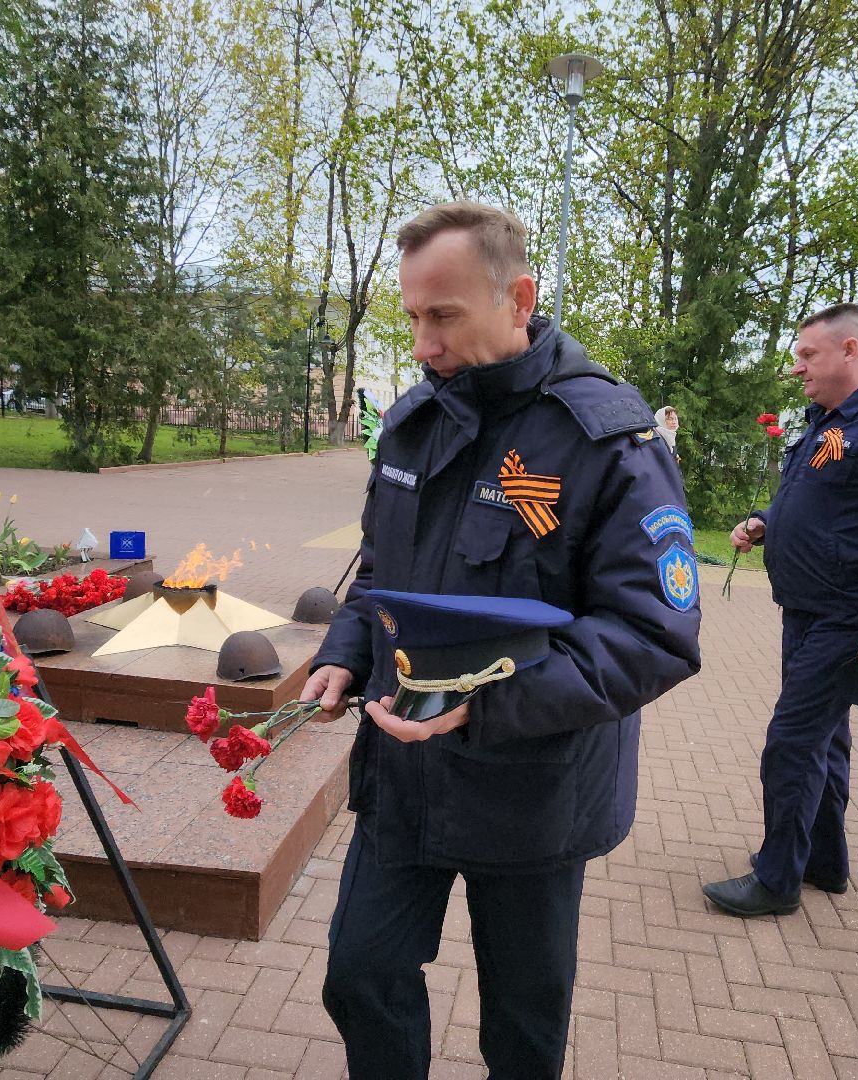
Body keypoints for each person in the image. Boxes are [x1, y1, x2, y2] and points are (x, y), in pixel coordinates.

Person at [302, 200, 702, 1079]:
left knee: (523, 1025)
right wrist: (343, 654)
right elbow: (380, 574)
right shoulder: (414, 420)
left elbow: (655, 633)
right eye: (412, 316)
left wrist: (480, 705)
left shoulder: (608, 440)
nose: (422, 344)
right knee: (359, 976)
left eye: (443, 315)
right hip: (405, 774)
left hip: (533, 790)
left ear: (519, 299)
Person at [703, 302, 858, 918]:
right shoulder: (827, 422)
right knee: (825, 740)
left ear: (850, 350)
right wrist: (766, 521)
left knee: (791, 743)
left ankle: (776, 881)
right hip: (807, 611)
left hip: (849, 615)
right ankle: (823, 860)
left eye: (808, 355)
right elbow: (824, 500)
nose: (798, 367)